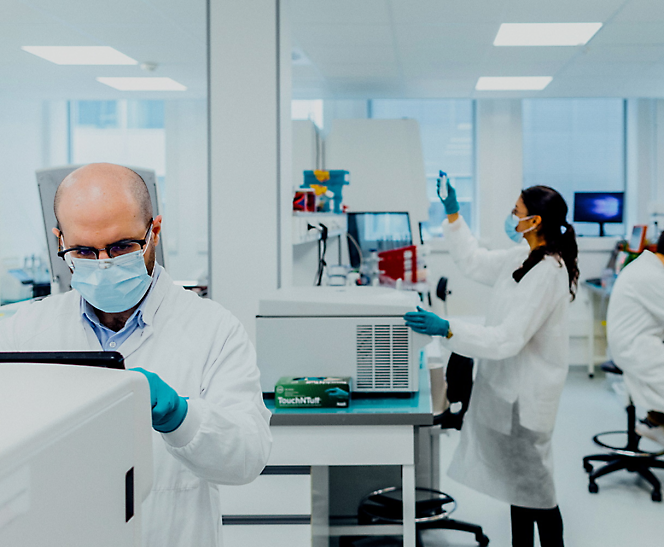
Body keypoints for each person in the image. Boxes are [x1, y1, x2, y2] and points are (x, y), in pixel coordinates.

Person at [0, 163, 272, 547]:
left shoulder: (213, 329)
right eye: (83, 250)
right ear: (60, 240)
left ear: (153, 233)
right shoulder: (24, 331)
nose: (104, 263)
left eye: (121, 246)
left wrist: (180, 416)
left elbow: (248, 457)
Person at [404, 178, 578, 547]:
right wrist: (453, 214)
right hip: (508, 392)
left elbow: (507, 339)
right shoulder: (522, 256)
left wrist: (448, 328)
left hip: (527, 399)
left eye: (516, 212)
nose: (510, 217)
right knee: (521, 491)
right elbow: (474, 261)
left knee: (539, 496)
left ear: (536, 222)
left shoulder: (548, 272)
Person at [607, 231, 664, 446]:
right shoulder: (652, 276)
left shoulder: (648, 267)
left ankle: (655, 421)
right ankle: (654, 423)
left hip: (639, 344)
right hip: (637, 349)